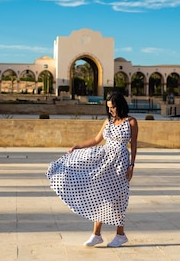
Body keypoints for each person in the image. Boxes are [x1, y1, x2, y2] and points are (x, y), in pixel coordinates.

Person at [46, 92, 138, 247]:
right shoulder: (108, 121)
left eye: (113, 107)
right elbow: (96, 140)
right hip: (104, 161)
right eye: (108, 107)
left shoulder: (131, 122)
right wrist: (77, 146)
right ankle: (96, 234)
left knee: (118, 198)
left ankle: (120, 234)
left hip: (120, 163)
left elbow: (134, 144)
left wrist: (132, 165)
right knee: (100, 194)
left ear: (120, 105)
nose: (110, 111)